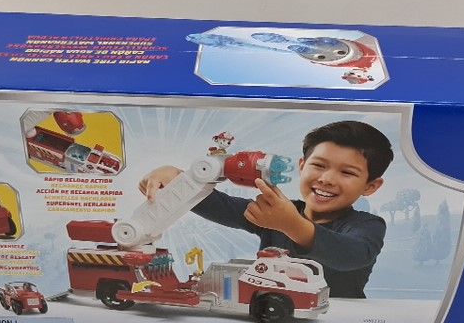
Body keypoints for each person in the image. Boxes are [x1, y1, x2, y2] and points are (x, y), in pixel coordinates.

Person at [139, 121, 393, 298]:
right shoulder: (274, 211)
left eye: (347, 172)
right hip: (271, 311)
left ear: (370, 186)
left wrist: (290, 224)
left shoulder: (367, 225)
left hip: (342, 320)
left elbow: (352, 255)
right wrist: (176, 177)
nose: (326, 179)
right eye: (319, 165)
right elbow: (218, 205)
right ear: (302, 166)